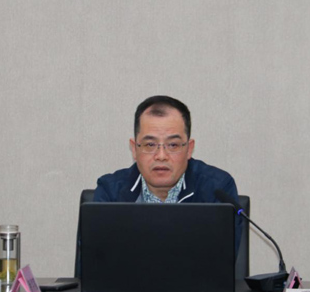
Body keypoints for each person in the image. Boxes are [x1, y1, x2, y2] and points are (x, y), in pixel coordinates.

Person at [93, 95, 242, 251]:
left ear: (189, 149)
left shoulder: (217, 190)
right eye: (150, 144)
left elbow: (222, 261)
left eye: (173, 145)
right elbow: (95, 260)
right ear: (134, 149)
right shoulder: (110, 193)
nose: (161, 156)